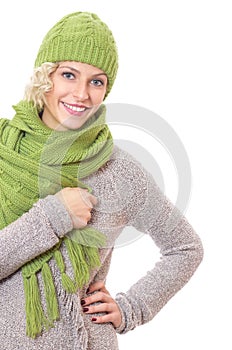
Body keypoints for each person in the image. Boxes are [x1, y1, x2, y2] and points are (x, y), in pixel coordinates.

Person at [0, 11, 203, 350]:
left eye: (97, 81)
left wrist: (131, 308)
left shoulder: (119, 171)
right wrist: (52, 217)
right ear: (44, 75)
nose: (81, 94)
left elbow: (186, 248)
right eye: (69, 75)